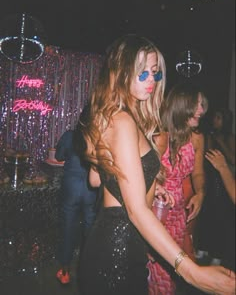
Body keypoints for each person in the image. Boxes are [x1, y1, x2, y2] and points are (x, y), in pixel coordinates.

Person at [78, 34, 235, 295]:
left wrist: (147, 184)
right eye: (143, 73)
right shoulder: (123, 121)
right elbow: (137, 210)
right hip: (119, 246)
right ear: (121, 73)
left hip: (120, 240)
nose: (152, 80)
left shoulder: (112, 116)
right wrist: (192, 272)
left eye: (155, 73)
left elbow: (96, 179)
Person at [147, 83, 208, 295]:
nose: (202, 110)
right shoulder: (160, 136)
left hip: (179, 213)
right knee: (158, 274)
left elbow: (198, 173)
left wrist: (200, 193)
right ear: (181, 105)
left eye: (202, 104)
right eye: (197, 104)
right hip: (157, 211)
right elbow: (144, 178)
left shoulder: (197, 137)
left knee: (174, 271)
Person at [55, 107, 98, 285]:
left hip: (71, 187)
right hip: (91, 188)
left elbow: (58, 156)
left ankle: (65, 270)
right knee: (89, 228)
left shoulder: (70, 136)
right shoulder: (97, 138)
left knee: (68, 227)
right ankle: (87, 271)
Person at [196, 107, 235, 271]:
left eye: (219, 117)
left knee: (222, 218)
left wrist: (220, 141)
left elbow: (233, 160)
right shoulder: (209, 135)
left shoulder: (230, 137)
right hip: (214, 180)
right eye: (215, 117)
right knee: (208, 214)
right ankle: (205, 247)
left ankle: (218, 254)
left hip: (227, 182)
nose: (215, 120)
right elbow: (206, 157)